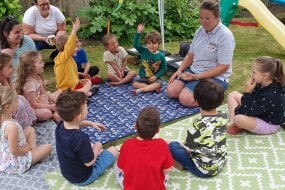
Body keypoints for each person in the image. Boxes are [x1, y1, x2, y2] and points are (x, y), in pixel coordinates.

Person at [167, 0, 235, 107]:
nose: (203, 22)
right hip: (194, 71)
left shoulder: (225, 36)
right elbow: (190, 55)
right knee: (172, 91)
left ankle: (215, 97)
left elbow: (223, 67)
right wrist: (179, 70)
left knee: (185, 99)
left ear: (217, 18)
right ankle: (198, 90)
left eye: (207, 18)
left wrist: (197, 77)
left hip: (216, 77)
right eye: (201, 17)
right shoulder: (200, 31)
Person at [55, 90, 119, 185]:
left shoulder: (60, 126)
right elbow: (89, 163)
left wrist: (90, 123)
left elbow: (75, 122)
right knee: (114, 151)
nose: (88, 110)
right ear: (79, 116)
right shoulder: (81, 138)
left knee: (90, 146)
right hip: (84, 177)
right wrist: (97, 147)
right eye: (86, 108)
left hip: (68, 173)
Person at [169, 79, 227, 177]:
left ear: (196, 101)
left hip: (203, 170)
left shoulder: (197, 125)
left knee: (172, 146)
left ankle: (183, 166)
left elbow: (188, 149)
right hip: (221, 162)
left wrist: (179, 144)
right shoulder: (223, 115)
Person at [114, 107, 174, 189]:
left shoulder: (127, 144)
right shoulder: (162, 144)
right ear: (158, 130)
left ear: (135, 127)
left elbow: (122, 169)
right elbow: (167, 170)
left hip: (132, 187)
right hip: (155, 187)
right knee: (166, 172)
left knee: (116, 165)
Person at [227, 56, 285, 135]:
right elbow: (251, 103)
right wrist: (248, 95)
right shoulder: (261, 84)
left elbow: (247, 112)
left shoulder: (270, 95)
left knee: (239, 119)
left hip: (268, 124)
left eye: (254, 72)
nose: (252, 75)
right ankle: (233, 123)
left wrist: (247, 92)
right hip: (257, 112)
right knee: (232, 94)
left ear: (265, 75)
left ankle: (236, 123)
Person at [0, 86, 52, 174]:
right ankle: (33, 154)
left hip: (12, 148)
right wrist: (27, 149)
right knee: (48, 147)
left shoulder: (5, 117)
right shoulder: (11, 127)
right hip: (15, 161)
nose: (18, 103)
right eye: (16, 101)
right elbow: (14, 151)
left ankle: (34, 153)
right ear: (8, 107)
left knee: (30, 129)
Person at [15, 51, 61, 123]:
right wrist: (50, 106)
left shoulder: (37, 78)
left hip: (39, 101)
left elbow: (44, 93)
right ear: (30, 67)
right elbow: (32, 104)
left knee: (56, 94)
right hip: (31, 108)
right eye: (40, 62)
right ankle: (53, 114)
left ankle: (55, 111)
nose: (43, 63)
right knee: (46, 113)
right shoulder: (30, 85)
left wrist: (56, 102)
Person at [54, 17, 95, 97]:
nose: (77, 49)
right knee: (87, 86)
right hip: (66, 90)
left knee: (87, 82)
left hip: (73, 86)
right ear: (67, 47)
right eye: (75, 47)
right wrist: (74, 30)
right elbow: (69, 45)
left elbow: (70, 73)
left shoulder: (69, 59)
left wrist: (80, 76)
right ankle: (86, 94)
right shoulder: (62, 58)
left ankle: (84, 93)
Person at [0, 52, 37, 129]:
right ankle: (22, 128)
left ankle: (29, 122)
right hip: (4, 112)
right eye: (10, 67)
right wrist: (5, 83)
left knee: (21, 98)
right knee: (19, 105)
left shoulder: (5, 79)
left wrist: (8, 82)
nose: (13, 69)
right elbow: (9, 99)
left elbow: (15, 95)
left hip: (9, 106)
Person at [132, 24, 167, 96]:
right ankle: (152, 88)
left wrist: (155, 76)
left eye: (154, 43)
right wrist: (138, 32)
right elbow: (135, 44)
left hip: (154, 79)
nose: (151, 45)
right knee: (135, 83)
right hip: (143, 78)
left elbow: (164, 68)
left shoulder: (161, 55)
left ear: (158, 43)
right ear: (146, 44)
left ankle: (142, 90)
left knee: (159, 83)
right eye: (149, 43)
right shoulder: (143, 51)